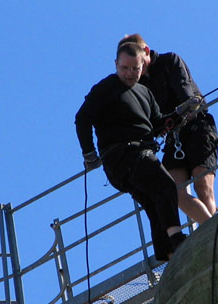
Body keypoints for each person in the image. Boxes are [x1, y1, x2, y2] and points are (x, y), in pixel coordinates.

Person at [75, 42, 187, 261]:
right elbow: (82, 119)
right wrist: (89, 154)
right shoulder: (105, 88)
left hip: (138, 154)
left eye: (135, 69)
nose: (129, 73)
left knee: (155, 203)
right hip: (122, 156)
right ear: (116, 64)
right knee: (164, 185)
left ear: (142, 65)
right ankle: (177, 239)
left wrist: (178, 115)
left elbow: (157, 123)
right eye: (124, 68)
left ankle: (167, 253)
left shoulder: (145, 92)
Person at [117, 34, 218, 225]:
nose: (134, 71)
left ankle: (212, 229)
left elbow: (185, 92)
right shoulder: (138, 86)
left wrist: (185, 109)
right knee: (174, 191)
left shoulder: (169, 61)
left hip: (199, 127)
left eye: (137, 65)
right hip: (175, 137)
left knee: (202, 186)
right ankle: (210, 228)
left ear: (146, 52)